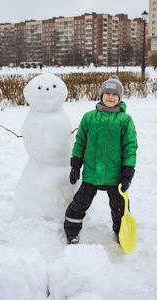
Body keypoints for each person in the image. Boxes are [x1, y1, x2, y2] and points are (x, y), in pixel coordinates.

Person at [64, 75, 138, 244]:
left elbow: (130, 147)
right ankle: (71, 231)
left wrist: (128, 171)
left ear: (119, 98)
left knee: (120, 208)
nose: (110, 96)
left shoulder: (125, 120)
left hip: (115, 175)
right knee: (79, 204)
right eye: (107, 93)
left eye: (114, 94)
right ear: (101, 95)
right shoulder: (89, 117)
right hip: (91, 173)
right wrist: (75, 164)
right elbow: (80, 142)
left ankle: (121, 233)